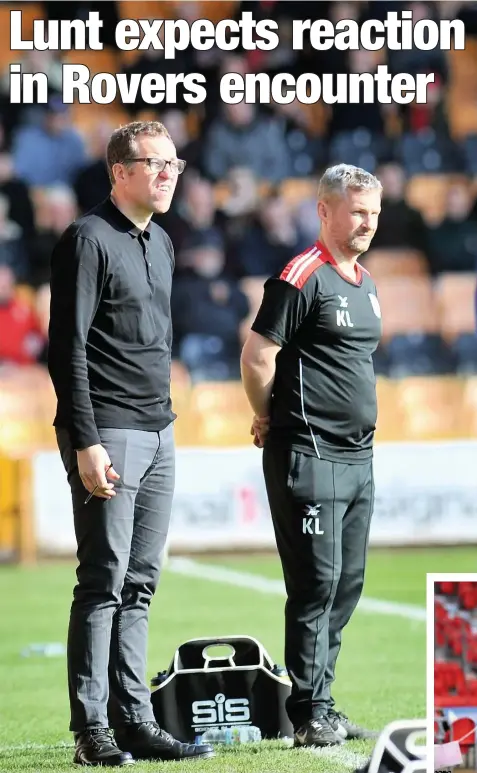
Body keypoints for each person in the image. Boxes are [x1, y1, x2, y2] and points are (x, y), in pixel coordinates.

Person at [47, 120, 215, 766]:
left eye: (174, 163)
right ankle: (92, 730)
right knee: (103, 582)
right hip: (108, 429)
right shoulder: (86, 239)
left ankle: (135, 719)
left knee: (141, 582)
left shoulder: (163, 241)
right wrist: (86, 440)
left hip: (158, 426)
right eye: (156, 164)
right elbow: (67, 351)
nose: (170, 173)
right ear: (120, 171)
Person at [240, 164, 383, 747]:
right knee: (316, 583)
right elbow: (256, 357)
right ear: (325, 212)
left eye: (374, 212)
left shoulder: (367, 282)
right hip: (310, 452)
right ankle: (307, 713)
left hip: (360, 458)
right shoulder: (302, 275)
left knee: (346, 584)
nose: (367, 222)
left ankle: (322, 700)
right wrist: (266, 415)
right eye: (357, 211)